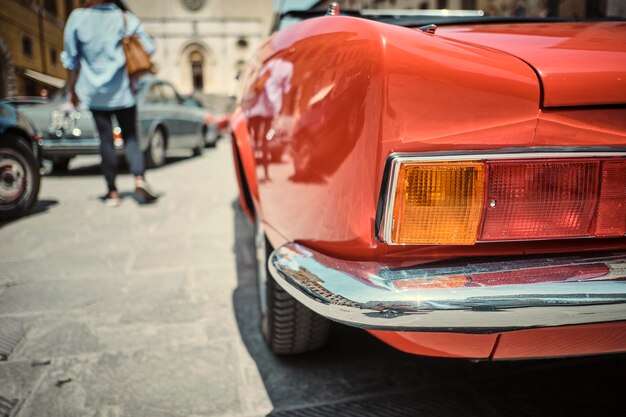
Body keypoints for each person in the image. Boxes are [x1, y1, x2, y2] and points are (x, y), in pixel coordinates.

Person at [62, 0, 158, 206]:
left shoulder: (78, 18)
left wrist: (71, 89)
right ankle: (139, 179)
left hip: (95, 93)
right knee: (131, 137)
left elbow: (71, 59)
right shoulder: (125, 19)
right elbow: (149, 48)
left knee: (106, 141)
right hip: (124, 91)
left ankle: (113, 193)